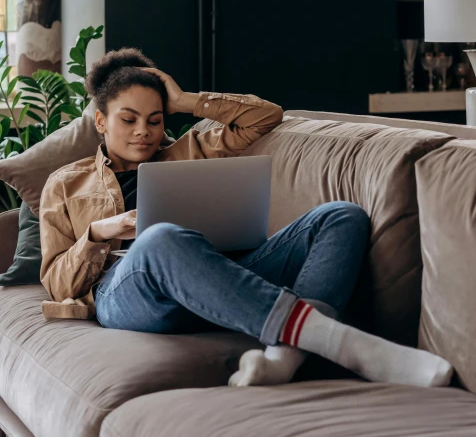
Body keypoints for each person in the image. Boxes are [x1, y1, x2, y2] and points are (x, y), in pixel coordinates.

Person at [39, 49, 453, 388]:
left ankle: (282, 359)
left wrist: (185, 101)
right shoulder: (65, 184)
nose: (143, 131)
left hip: (220, 276)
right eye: (128, 120)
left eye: (155, 119)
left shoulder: (191, 150)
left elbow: (266, 115)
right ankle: (346, 345)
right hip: (130, 295)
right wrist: (99, 232)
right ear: (100, 121)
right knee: (160, 238)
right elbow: (57, 282)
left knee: (340, 216)